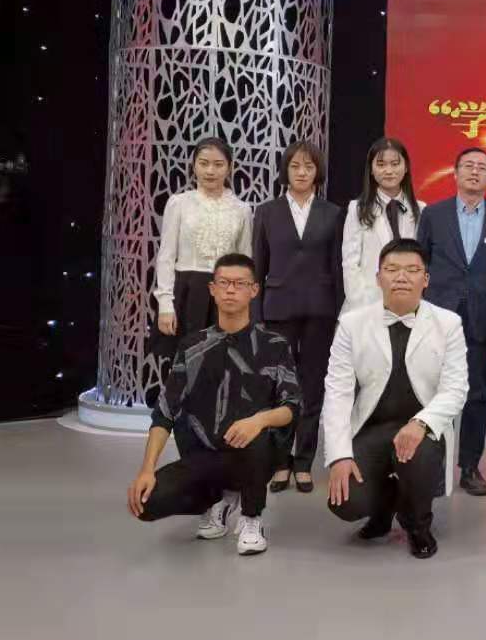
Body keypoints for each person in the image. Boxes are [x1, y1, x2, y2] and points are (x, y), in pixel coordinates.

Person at [127, 254, 299, 557]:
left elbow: (291, 407)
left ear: (254, 290)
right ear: (213, 289)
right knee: (146, 503)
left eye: (239, 284)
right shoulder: (192, 346)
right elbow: (164, 413)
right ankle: (219, 499)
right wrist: (146, 469)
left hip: (255, 453)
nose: (231, 290)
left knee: (257, 435)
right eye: (224, 283)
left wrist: (258, 421)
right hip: (206, 455)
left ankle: (251, 517)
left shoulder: (274, 345)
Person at [322, 238, 468, 560]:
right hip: (372, 427)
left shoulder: (448, 324)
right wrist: (339, 456)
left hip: (422, 431)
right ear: (378, 278)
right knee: (344, 501)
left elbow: (455, 389)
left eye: (412, 270)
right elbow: (337, 393)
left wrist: (421, 423)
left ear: (425, 279)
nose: (401, 277)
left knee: (417, 456)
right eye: (392, 269)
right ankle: (384, 507)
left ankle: (418, 524)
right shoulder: (351, 324)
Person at [416, 147, 486, 497]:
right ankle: (430, 464)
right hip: (437, 316)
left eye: (482, 167)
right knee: (429, 392)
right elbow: (420, 262)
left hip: (482, 318)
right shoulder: (434, 214)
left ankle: (469, 467)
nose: (475, 172)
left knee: (476, 395)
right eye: (468, 166)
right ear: (455, 173)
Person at [251, 139, 344, 494]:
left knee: (312, 386)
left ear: (318, 172)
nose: (302, 172)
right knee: (277, 386)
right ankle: (280, 463)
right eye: (295, 166)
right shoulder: (267, 211)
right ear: (285, 171)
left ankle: (303, 462)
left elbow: (337, 268)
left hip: (321, 311)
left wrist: (340, 312)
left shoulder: (333, 213)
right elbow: (258, 266)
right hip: (277, 309)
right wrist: (256, 315)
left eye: (308, 166)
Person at [151, 137, 253, 382]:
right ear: (194, 165)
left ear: (229, 168)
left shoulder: (242, 209)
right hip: (187, 293)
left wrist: (243, 304)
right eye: (204, 163)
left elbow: (245, 260)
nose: (210, 171)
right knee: (184, 369)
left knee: (224, 370)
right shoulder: (179, 203)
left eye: (218, 164)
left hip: (225, 293)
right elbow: (166, 257)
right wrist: (165, 304)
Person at [341, 136, 422, 314]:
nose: (388, 171)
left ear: (406, 167)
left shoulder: (421, 210)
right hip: (366, 305)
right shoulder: (358, 209)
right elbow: (350, 263)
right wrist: (360, 305)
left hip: (410, 305)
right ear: (371, 169)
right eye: (381, 164)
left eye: (395, 164)